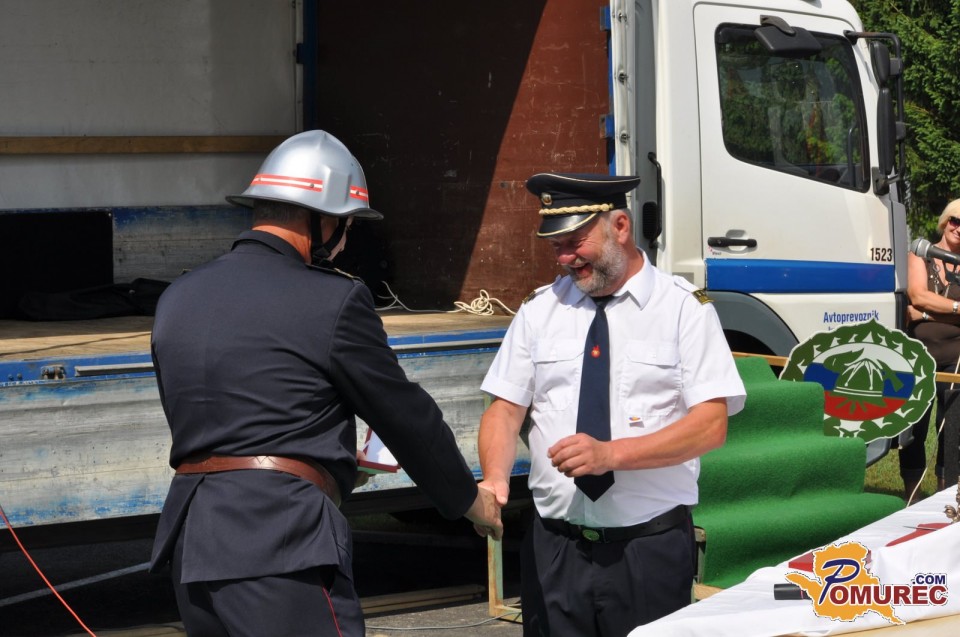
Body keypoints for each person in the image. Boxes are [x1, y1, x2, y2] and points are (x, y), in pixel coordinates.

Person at [148, 130, 502, 637]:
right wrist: (468, 499)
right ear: (322, 219)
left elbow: (220, 417)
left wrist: (321, 455)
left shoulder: (179, 296)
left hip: (192, 544)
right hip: (279, 540)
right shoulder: (333, 299)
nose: (346, 240)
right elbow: (405, 416)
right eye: (347, 225)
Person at [477, 173, 747, 636]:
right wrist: (495, 478)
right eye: (556, 246)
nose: (564, 258)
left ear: (620, 226)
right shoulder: (540, 310)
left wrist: (611, 454)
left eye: (574, 242)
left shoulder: (684, 309)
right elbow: (505, 409)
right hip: (555, 550)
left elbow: (710, 424)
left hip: (646, 552)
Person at [902, 197, 960, 500]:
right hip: (918, 355)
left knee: (951, 428)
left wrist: (924, 314)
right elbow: (918, 296)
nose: (959, 228)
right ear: (945, 221)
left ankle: (943, 497)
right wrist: (956, 308)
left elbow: (920, 307)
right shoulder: (919, 253)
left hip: (956, 357)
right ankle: (911, 497)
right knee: (914, 426)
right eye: (955, 221)